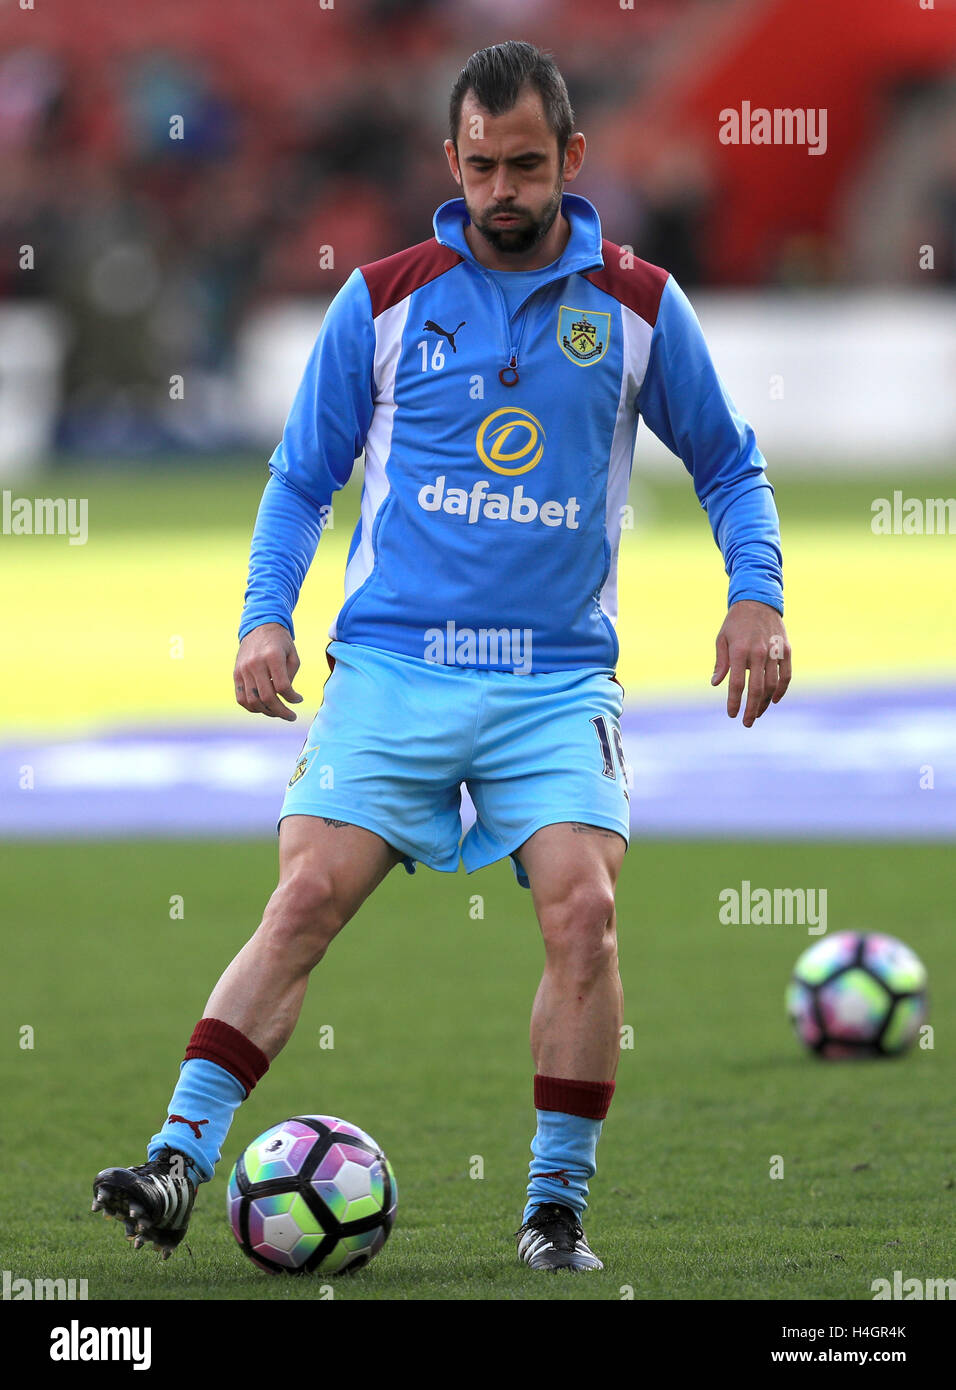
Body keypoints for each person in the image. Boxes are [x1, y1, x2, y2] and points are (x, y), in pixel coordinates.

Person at [92, 40, 790, 1274]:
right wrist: (265, 616)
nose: (503, 191)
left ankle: (553, 1207)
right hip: (391, 672)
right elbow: (300, 479)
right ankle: (177, 1159)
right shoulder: (380, 298)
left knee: (584, 910)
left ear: (572, 159)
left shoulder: (637, 305)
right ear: (450, 162)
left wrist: (757, 597)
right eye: (481, 167)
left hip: (553, 679)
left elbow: (728, 462)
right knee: (304, 899)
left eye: (527, 165)